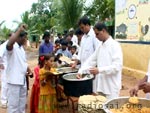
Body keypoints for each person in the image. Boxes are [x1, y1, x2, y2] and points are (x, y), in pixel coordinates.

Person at [77, 23, 123, 100]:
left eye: (97, 34)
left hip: (111, 86)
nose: (96, 37)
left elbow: (117, 66)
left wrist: (99, 70)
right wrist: (81, 71)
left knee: (111, 109)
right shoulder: (100, 46)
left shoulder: (115, 45)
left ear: (103, 31)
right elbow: (91, 60)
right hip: (101, 85)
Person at [6, 24, 33, 113]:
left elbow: (23, 63)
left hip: (22, 81)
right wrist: (19, 30)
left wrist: (29, 71)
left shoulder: (21, 49)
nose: (26, 40)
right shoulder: (12, 48)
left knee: (21, 106)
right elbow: (9, 43)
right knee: (13, 107)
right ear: (19, 38)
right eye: (24, 38)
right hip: (14, 82)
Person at [0, 34, 12, 108]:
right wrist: (0, 64)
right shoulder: (3, 46)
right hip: (4, 67)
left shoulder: (12, 45)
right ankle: (3, 101)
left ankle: (8, 100)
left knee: (10, 84)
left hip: (10, 68)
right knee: (4, 84)